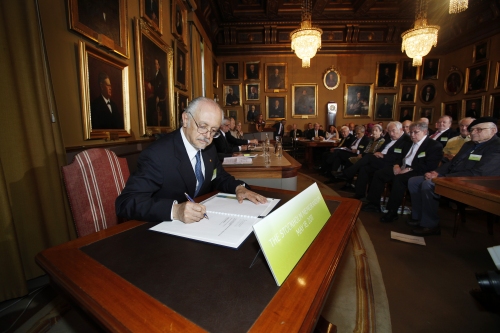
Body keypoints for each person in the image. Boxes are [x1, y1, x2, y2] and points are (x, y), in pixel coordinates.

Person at [115, 97, 267, 223]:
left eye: (213, 130)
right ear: (185, 119)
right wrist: (175, 210)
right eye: (202, 126)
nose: (207, 136)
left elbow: (218, 176)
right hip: (162, 232)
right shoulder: (157, 155)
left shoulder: (208, 148)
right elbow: (125, 203)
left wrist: (238, 188)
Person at [407, 117, 500, 236]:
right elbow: (451, 162)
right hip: (453, 177)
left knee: (429, 184)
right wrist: (436, 172)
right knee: (414, 181)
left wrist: (443, 177)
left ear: (493, 131)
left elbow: (478, 173)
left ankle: (430, 225)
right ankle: (418, 217)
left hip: (477, 183)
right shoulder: (469, 144)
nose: (473, 132)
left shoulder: (496, 147)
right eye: (472, 130)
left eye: (479, 130)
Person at [361, 121, 443, 223]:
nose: (412, 135)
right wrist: (396, 165)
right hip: (402, 167)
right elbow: (399, 156)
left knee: (398, 180)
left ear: (425, 132)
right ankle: (374, 204)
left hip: (418, 171)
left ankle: (392, 211)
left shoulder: (433, 146)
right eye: (411, 132)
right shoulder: (409, 142)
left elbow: (430, 165)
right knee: (380, 174)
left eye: (416, 132)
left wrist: (409, 168)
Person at [333, 122, 412, 200]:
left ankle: (347, 173)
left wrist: (383, 155)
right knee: (364, 168)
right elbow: (382, 148)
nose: (391, 133)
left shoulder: (406, 140)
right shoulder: (389, 138)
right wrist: (378, 153)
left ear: (401, 129)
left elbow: (402, 157)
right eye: (389, 131)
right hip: (379, 160)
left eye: (393, 131)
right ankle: (360, 194)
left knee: (368, 157)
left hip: (390, 163)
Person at [146, 59, 167, 127]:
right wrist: (150, 82)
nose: (156, 65)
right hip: (156, 95)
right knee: (149, 100)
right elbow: (154, 81)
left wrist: (158, 96)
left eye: (157, 64)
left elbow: (161, 88)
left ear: (159, 66)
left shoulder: (161, 76)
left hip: (160, 97)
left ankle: (150, 123)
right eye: (155, 64)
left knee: (150, 102)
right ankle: (149, 123)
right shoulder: (156, 74)